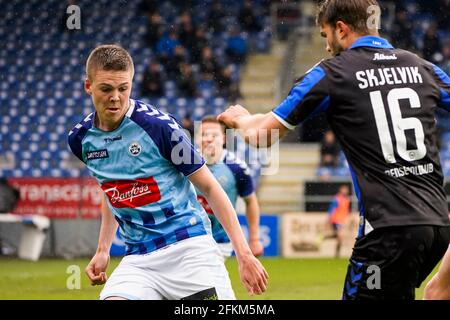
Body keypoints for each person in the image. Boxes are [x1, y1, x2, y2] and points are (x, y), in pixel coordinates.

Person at [218, 0, 450, 300]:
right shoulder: (422, 66)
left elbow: (262, 136)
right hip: (436, 227)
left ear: (341, 29)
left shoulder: (332, 72)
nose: (327, 46)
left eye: (326, 35)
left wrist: (240, 120)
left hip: (387, 231)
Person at [67, 44, 268, 300]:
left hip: (188, 247)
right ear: (88, 86)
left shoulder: (159, 127)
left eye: (123, 88)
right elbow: (110, 190)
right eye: (106, 89)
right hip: (138, 258)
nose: (115, 97)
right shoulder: (81, 140)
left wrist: (244, 254)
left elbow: (209, 186)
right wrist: (103, 249)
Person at [195, 115, 264, 260]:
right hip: (189, 237)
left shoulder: (237, 168)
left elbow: (250, 201)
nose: (208, 139)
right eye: (203, 134)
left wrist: (255, 238)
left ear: (224, 139)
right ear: (196, 138)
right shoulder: (184, 164)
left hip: (221, 242)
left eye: (214, 135)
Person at [325, 184, 351, 258]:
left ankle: (324, 237)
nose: (345, 191)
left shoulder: (347, 199)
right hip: (336, 220)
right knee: (340, 237)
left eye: (346, 190)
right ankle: (337, 255)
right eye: (344, 189)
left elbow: (346, 210)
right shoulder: (336, 199)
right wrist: (329, 219)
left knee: (337, 237)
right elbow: (332, 209)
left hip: (341, 221)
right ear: (340, 190)